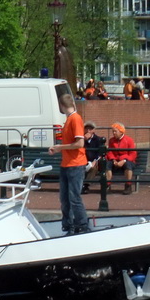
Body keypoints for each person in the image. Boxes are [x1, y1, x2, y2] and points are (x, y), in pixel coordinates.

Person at [47, 93, 88, 234]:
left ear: (62, 106)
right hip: (67, 163)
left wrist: (60, 147)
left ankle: (82, 224)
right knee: (65, 198)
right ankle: (69, 225)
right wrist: (59, 148)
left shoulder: (75, 119)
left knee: (74, 197)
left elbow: (80, 143)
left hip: (75, 164)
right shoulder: (69, 119)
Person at [105, 122, 137, 194]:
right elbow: (110, 152)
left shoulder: (129, 140)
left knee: (128, 166)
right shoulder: (111, 140)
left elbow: (133, 154)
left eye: (115, 131)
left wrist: (124, 160)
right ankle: (107, 185)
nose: (113, 133)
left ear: (121, 131)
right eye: (113, 131)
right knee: (107, 165)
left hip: (126, 160)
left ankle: (128, 185)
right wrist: (113, 159)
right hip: (115, 160)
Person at [80, 122, 104, 193]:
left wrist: (95, 161)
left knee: (93, 168)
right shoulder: (80, 140)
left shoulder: (98, 139)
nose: (88, 131)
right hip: (83, 160)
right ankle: (78, 185)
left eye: (90, 129)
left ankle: (86, 185)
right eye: (86, 129)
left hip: (94, 160)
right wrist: (83, 140)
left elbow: (100, 153)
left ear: (93, 130)